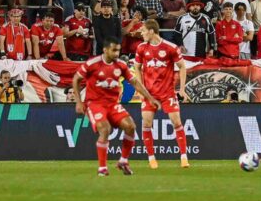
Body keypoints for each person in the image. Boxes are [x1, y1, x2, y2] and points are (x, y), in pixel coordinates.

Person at [72, 36, 159, 177]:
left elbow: (135, 82)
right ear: (105, 50)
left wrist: (150, 98)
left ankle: (123, 161)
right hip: (95, 103)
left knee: (131, 127)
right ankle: (102, 168)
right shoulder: (92, 64)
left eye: (118, 50)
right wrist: (78, 101)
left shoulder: (121, 65)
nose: (117, 54)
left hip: (112, 104)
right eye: (114, 50)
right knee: (105, 129)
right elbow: (76, 79)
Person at [134, 20, 191, 168]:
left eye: (143, 31)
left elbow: (182, 67)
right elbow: (137, 68)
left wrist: (182, 89)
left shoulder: (170, 48)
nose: (141, 33)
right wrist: (140, 90)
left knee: (177, 122)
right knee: (146, 123)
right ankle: (151, 158)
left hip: (168, 93)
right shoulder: (141, 48)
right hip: (149, 94)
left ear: (152, 31)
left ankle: (184, 157)